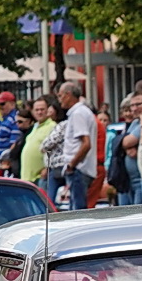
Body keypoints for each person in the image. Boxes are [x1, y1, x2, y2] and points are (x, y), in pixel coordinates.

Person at [55, 82, 97, 211]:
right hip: (80, 169)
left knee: (77, 212)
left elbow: (86, 143)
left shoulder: (78, 114)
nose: (59, 99)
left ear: (68, 95)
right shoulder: (81, 112)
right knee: (75, 208)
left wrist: (72, 165)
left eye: (60, 95)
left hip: (79, 169)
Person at [20, 95, 55, 191]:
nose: (39, 112)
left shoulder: (52, 126)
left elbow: (55, 149)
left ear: (48, 110)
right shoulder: (35, 126)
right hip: (27, 177)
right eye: (37, 110)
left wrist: (47, 168)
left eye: (42, 109)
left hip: (40, 177)